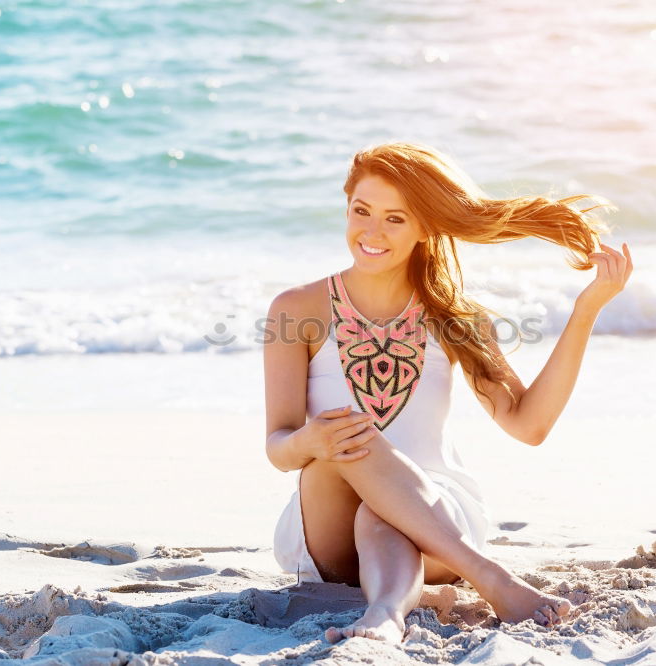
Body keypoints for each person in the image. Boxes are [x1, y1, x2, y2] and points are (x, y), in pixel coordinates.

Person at [262, 141, 633, 643]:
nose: (371, 231)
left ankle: (386, 614)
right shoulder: (295, 308)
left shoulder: (455, 317)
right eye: (361, 211)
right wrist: (312, 441)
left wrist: (587, 309)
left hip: (438, 524)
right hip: (329, 525)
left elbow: (529, 425)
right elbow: (279, 447)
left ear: (425, 227)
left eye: (395, 219)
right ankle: (493, 579)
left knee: (382, 508)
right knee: (353, 436)